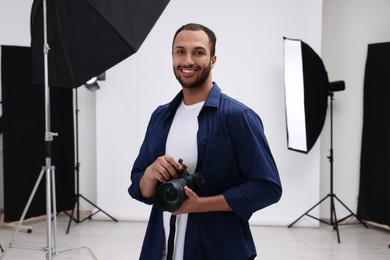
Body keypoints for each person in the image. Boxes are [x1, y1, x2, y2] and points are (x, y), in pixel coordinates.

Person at [128, 23, 282, 260]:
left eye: (198, 52)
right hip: (160, 249)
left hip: (218, 249)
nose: (187, 60)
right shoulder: (160, 116)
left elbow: (268, 187)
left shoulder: (238, 117)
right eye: (180, 52)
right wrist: (150, 173)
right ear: (172, 57)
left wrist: (200, 204)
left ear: (213, 59)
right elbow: (139, 186)